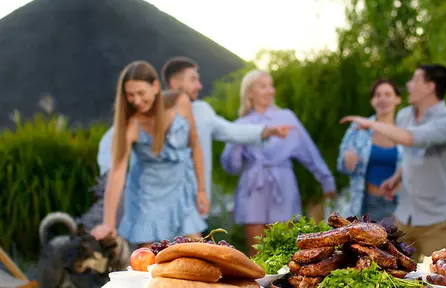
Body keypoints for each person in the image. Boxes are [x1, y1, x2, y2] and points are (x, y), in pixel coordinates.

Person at [96, 57, 291, 233]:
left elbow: (232, 131)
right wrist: (107, 176)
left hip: (186, 198)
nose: (199, 85)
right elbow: (113, 152)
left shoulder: (200, 110)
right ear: (175, 83)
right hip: (149, 202)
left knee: (194, 255)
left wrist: (268, 130)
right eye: (193, 79)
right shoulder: (135, 121)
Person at [340, 64, 446, 261]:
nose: (408, 85)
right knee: (398, 282)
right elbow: (409, 155)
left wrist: (371, 123)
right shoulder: (404, 115)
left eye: (414, 80)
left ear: (430, 87)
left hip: (439, 223)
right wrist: (397, 177)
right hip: (404, 218)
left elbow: (410, 138)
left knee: (440, 283)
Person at [91, 61, 208, 248]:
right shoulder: (132, 126)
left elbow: (195, 145)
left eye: (141, 93)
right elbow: (118, 171)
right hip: (147, 201)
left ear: (155, 86)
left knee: (198, 252)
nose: (136, 101)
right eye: (130, 95)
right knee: (150, 264)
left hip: (180, 194)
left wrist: (201, 190)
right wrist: (108, 223)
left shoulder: (180, 103)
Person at [220, 69, 337, 256]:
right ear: (250, 92)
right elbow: (231, 167)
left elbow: (308, 151)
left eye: (271, 85)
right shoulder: (240, 123)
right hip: (253, 188)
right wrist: (237, 142)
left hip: (282, 186)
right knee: (256, 252)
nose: (270, 90)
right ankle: (258, 285)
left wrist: (326, 180)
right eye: (263, 86)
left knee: (285, 250)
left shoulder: (287, 117)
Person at [337, 80, 403, 223]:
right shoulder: (359, 128)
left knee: (397, 245)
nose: (382, 99)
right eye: (377, 95)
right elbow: (341, 165)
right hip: (365, 204)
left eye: (387, 94)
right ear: (372, 101)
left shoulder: (405, 132)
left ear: (397, 99)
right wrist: (347, 159)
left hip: (398, 206)